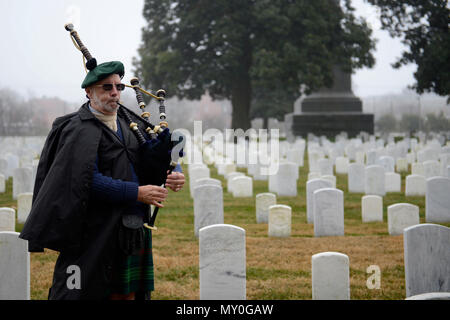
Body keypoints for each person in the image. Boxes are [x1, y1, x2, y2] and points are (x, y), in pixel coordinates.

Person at [19, 61, 185, 300]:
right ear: (89, 92)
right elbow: (84, 180)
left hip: (132, 228)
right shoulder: (77, 129)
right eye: (106, 87)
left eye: (119, 87)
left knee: (128, 296)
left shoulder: (129, 124)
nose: (114, 92)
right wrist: (136, 193)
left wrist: (173, 171)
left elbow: (150, 157)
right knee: (82, 293)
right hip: (92, 231)